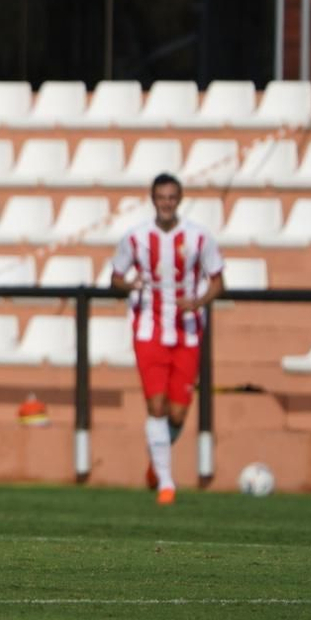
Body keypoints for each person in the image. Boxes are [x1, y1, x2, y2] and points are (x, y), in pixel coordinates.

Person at [109, 172, 224, 505]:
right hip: (149, 330)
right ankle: (166, 484)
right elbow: (115, 277)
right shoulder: (135, 237)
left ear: (179, 200)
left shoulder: (199, 237)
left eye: (172, 197)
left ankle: (155, 465)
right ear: (153, 200)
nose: (166, 203)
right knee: (156, 405)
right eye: (161, 197)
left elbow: (218, 281)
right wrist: (129, 284)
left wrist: (198, 302)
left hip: (188, 332)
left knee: (177, 414)